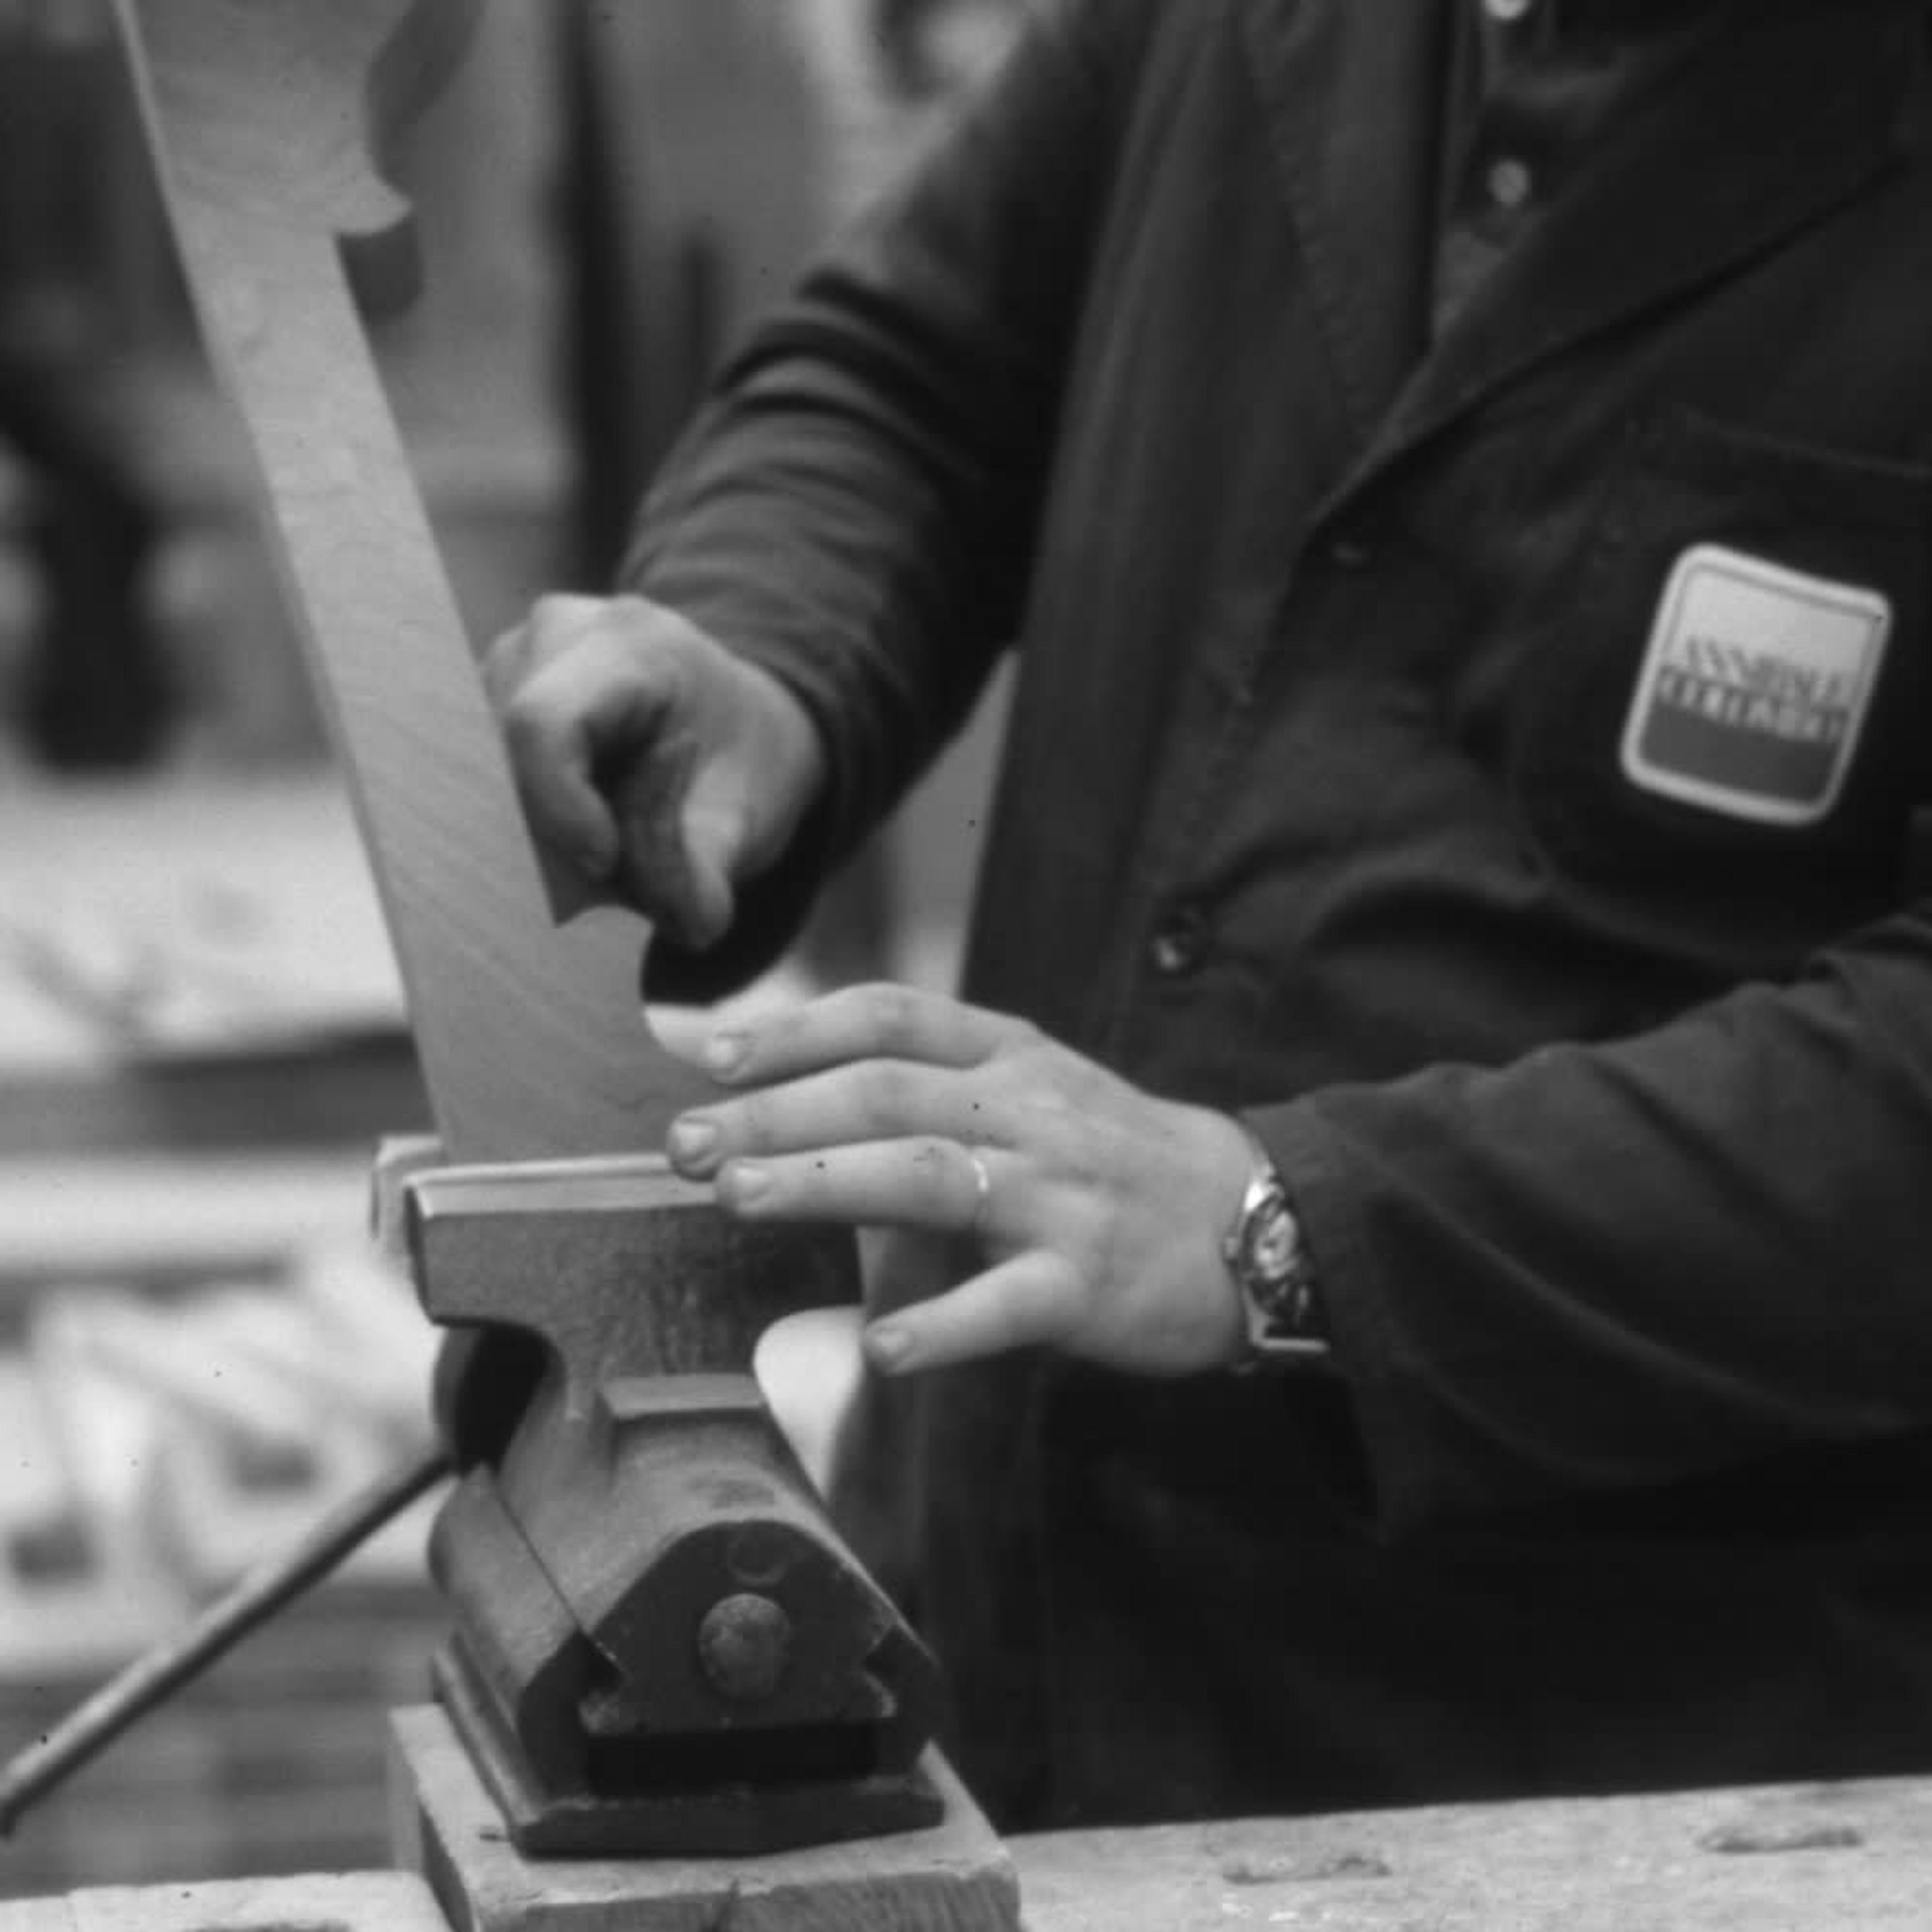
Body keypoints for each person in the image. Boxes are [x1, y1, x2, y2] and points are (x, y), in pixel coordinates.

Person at [487, 0, 1932, 1832]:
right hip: (970, 1627)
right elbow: (914, 375)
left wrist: (1290, 1224)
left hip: (1604, 1765)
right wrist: (769, 656)